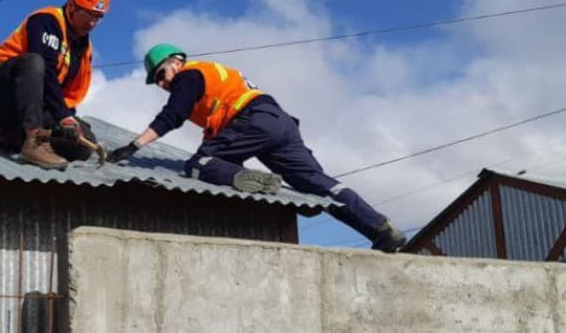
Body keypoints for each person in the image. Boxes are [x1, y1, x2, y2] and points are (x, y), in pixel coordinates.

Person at [107, 44, 407, 252]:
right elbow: (215, 136)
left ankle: (242, 177)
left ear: (176, 61)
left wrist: (133, 146)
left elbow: (172, 115)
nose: (161, 84)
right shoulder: (216, 82)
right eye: (155, 82)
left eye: (160, 75)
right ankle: (381, 229)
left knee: (198, 164)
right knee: (320, 184)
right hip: (280, 122)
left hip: (253, 119)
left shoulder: (190, 75)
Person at [0, 0, 110, 171]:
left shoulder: (83, 49)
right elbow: (45, 72)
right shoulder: (45, 21)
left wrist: (67, 121)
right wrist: (62, 116)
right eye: (88, 15)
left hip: (34, 105)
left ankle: (9, 136)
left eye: (98, 18)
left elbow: (67, 96)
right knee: (34, 62)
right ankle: (34, 142)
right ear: (72, 5)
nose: (92, 23)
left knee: (82, 143)